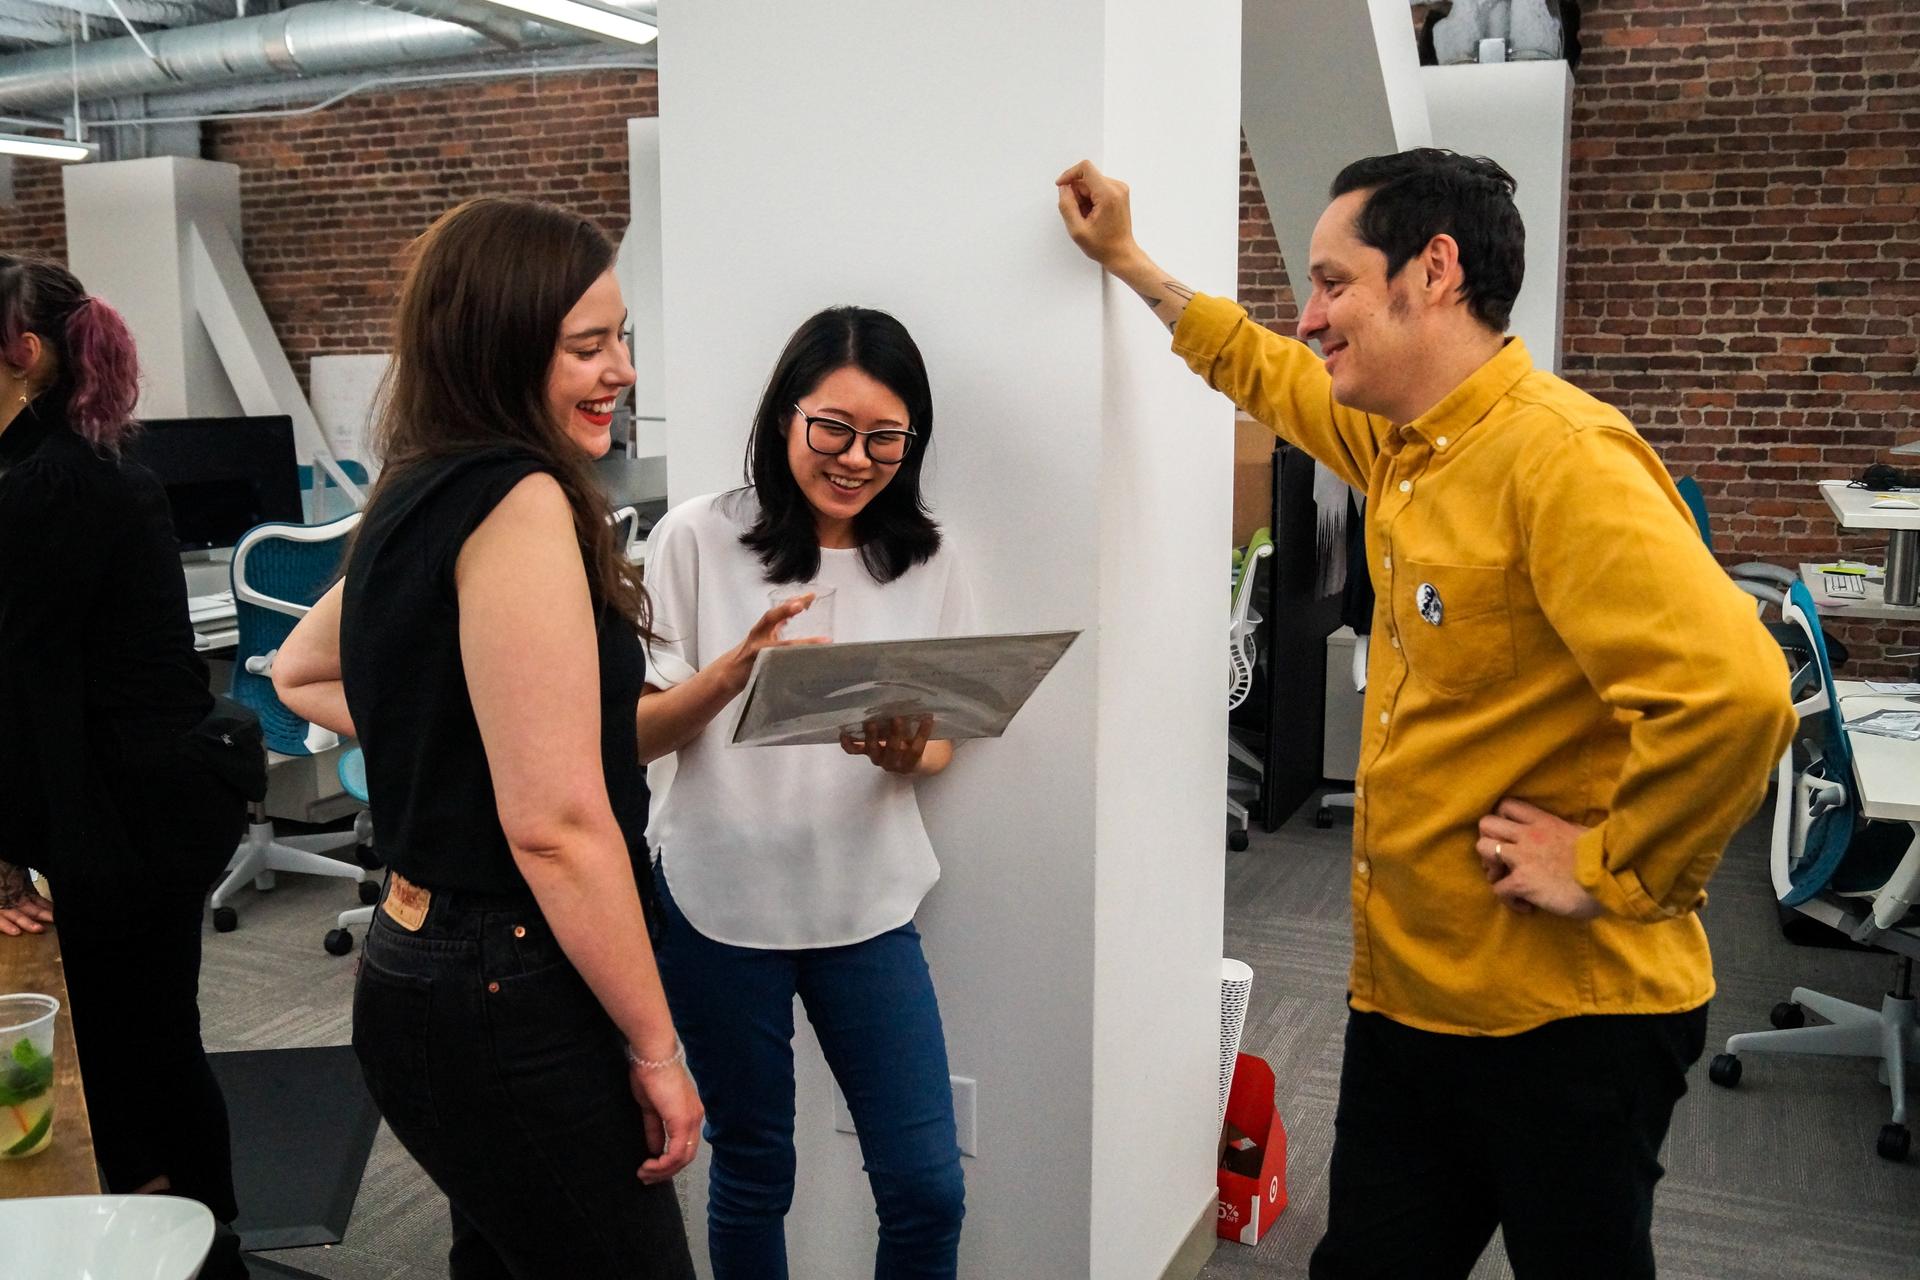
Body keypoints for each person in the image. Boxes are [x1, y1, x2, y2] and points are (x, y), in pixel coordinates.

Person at [1056, 150, 1799, 1279]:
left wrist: (1608, 868)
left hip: (1567, 1020)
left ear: (1435, 270)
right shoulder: (1403, 444)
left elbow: (1735, 694)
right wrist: (1130, 262)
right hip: (1412, 995)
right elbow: (1264, 368)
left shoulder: (1561, 458)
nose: (1310, 316)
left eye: (1333, 283)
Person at [272, 198, 699, 1279]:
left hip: (420, 966)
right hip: (507, 983)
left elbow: (301, 669)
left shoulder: (415, 485)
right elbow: (555, 825)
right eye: (588, 347)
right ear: (502, 344)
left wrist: (471, 737)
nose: (622, 371)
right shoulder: (518, 500)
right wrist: (657, 1046)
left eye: (622, 340)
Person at [637, 306, 971, 1279]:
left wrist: (910, 752)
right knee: (754, 1169)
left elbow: (943, 742)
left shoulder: (928, 556)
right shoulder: (697, 537)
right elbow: (636, 735)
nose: (856, 459)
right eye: (833, 427)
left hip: (867, 899)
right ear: (786, 414)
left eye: (885, 438)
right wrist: (730, 676)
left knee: (926, 1187)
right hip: (718, 900)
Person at [0, 257, 250, 1278]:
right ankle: (204, 1230)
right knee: (156, 1031)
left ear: (23, 353)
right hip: (166, 796)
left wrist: (6, 861)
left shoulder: (42, 485)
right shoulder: (97, 463)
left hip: (124, 816)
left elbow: (23, 693)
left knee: (122, 1043)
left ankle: (179, 1234)